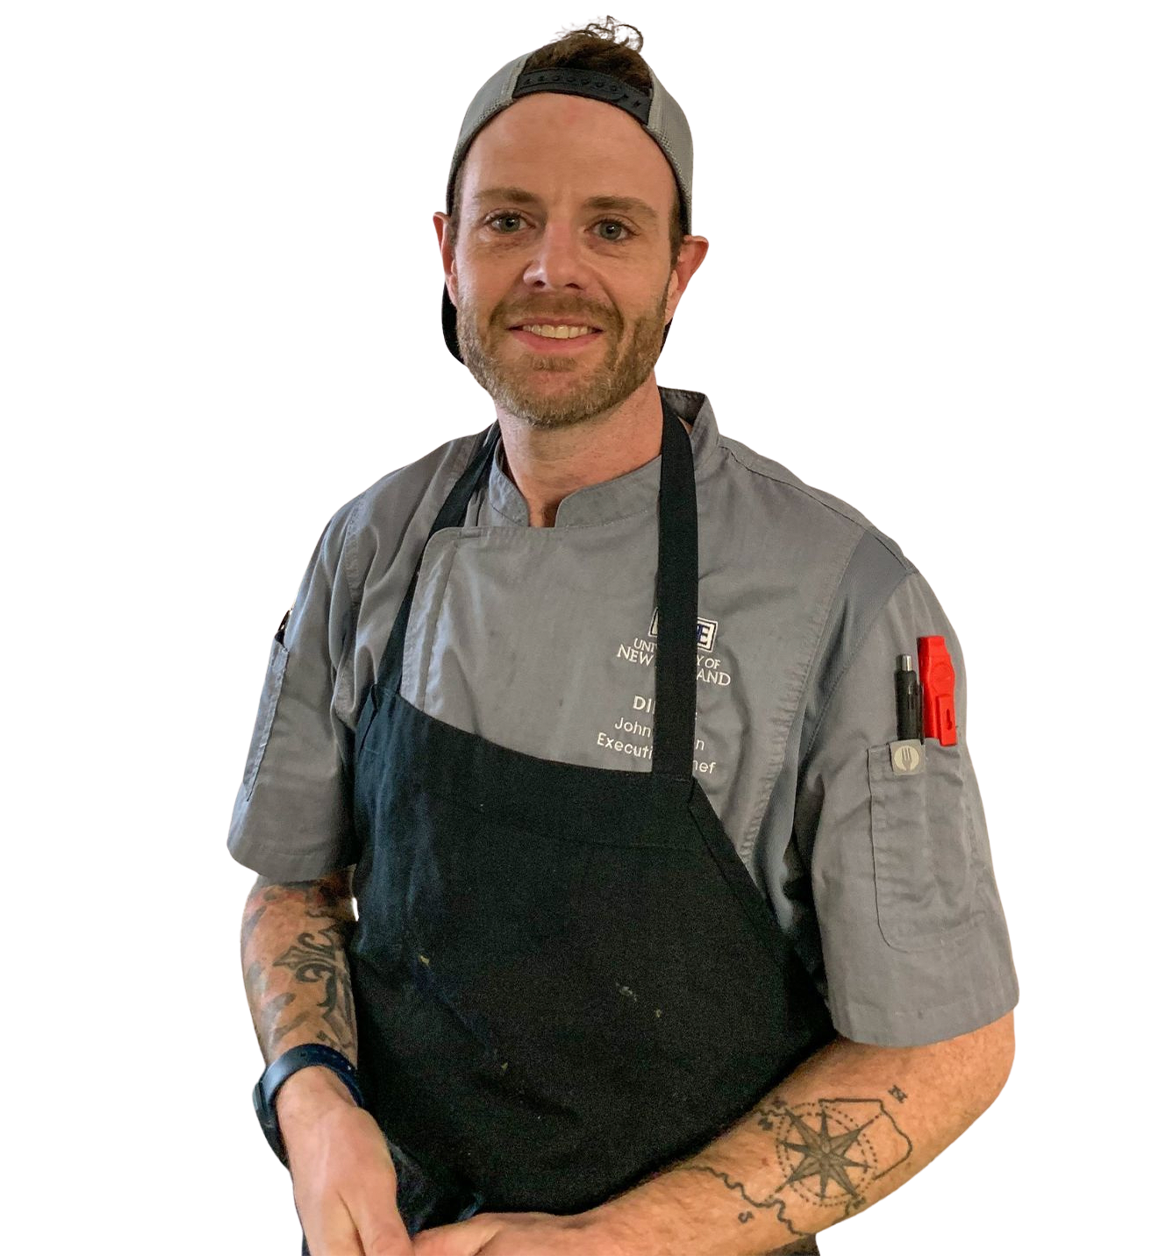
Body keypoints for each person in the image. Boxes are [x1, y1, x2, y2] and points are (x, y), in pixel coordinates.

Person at [230, 26, 1019, 1256]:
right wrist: (312, 1095)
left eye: (610, 227)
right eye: (507, 221)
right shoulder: (371, 545)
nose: (552, 268)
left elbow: (947, 1043)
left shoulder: (841, 597)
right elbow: (293, 880)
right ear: (445, 255)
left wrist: (611, 1241)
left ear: (678, 270)